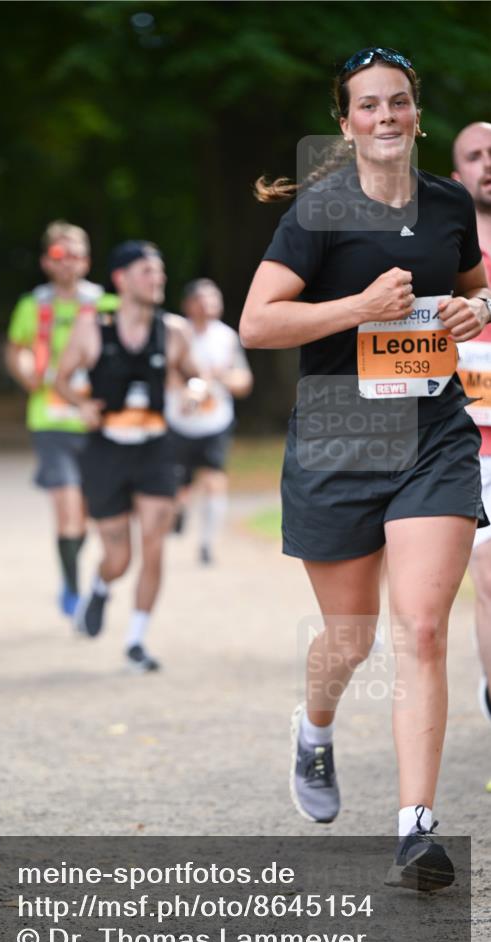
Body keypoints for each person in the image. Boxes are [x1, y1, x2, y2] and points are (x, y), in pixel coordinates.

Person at [240, 47, 490, 890]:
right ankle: (314, 728)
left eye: (398, 102)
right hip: (336, 440)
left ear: (416, 115)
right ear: (345, 124)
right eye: (368, 105)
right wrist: (358, 308)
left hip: (431, 433)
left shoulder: (447, 202)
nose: (385, 116)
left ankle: (415, 831)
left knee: (422, 628)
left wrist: (474, 308)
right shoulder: (319, 212)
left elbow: (477, 284)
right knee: (350, 637)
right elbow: (256, 324)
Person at [55, 241, 200, 672]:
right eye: (146, 272)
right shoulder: (92, 328)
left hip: (156, 449)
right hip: (106, 451)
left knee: (154, 546)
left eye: (160, 272)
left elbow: (197, 377)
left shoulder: (172, 330)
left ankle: (136, 640)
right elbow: (60, 379)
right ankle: (100, 588)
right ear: (120, 279)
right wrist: (81, 404)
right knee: (120, 559)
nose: (157, 279)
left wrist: (195, 392)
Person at [6, 221, 113, 617]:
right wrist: (25, 372)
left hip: (94, 418)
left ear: (86, 261)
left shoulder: (106, 304)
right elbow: (16, 348)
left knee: (83, 515)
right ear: (45, 262)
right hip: (49, 418)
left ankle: (70, 567)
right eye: (58, 254)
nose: (67, 262)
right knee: (66, 506)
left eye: (75, 254)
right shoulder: (32, 305)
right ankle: (71, 587)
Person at [451, 121, 491, 790]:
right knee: (488, 576)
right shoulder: (441, 246)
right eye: (476, 156)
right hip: (468, 441)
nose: (489, 163)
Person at [166, 278, 253, 564]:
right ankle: (178, 510)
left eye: (213, 298)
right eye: (201, 298)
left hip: (215, 421)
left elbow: (243, 381)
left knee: (214, 480)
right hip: (178, 421)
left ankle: (207, 543)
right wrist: (183, 391)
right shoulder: (177, 332)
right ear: (187, 304)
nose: (208, 304)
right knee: (178, 485)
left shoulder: (227, 337)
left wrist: (219, 377)